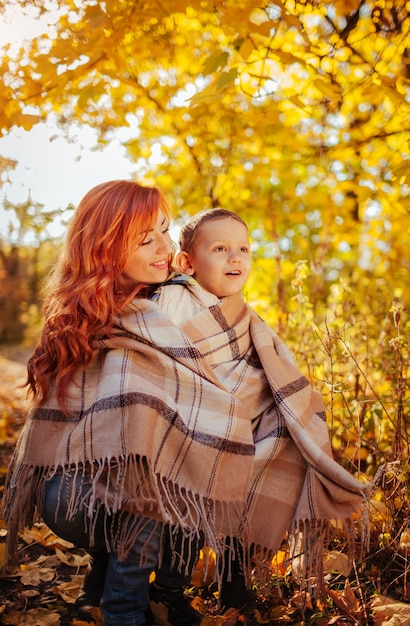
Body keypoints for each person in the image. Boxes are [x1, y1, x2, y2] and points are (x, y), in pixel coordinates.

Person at [148, 208, 371, 625]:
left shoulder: (239, 309)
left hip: (241, 425)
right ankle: (167, 591)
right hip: (191, 426)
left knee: (253, 476)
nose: (236, 258)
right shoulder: (178, 296)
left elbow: (261, 365)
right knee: (192, 504)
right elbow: (174, 360)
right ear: (186, 262)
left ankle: (235, 581)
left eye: (243, 249)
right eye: (220, 249)